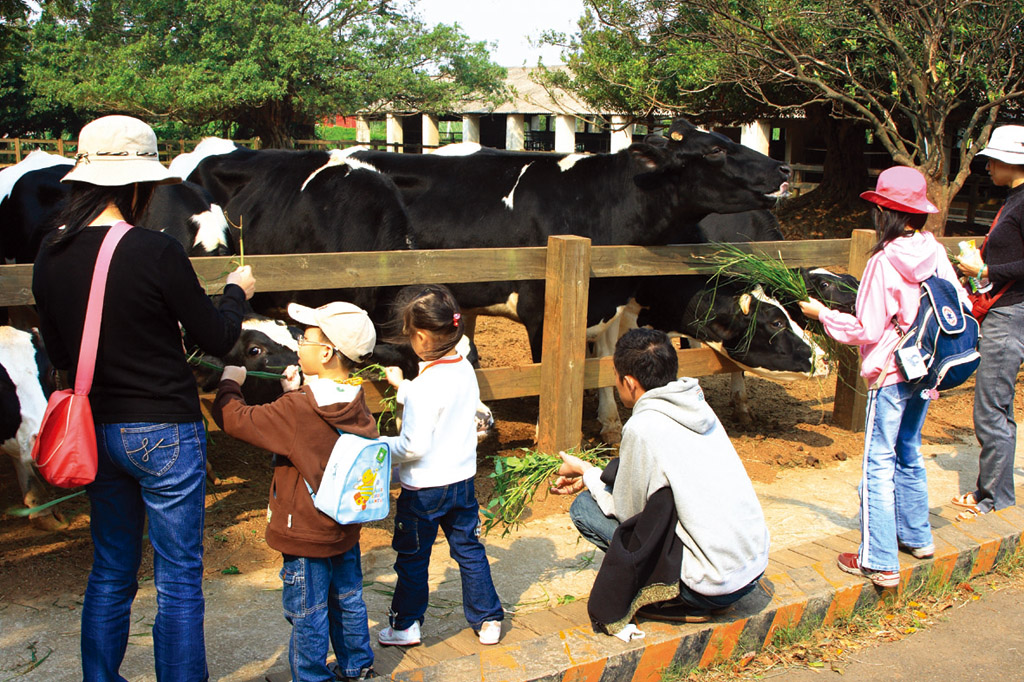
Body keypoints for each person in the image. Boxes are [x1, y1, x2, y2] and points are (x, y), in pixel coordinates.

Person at [32, 115, 255, 682]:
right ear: (138, 186)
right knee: (178, 576)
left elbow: (58, 350)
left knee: (110, 570)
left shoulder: (49, 254)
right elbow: (217, 337)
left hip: (96, 428)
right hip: (163, 430)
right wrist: (235, 293)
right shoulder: (156, 251)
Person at [799, 166, 971, 587]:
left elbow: (867, 330)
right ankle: (917, 537)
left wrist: (824, 315)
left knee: (877, 463)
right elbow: (960, 301)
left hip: (893, 371)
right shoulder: (933, 250)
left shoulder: (883, 261)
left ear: (886, 213)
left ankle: (878, 560)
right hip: (929, 368)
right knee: (909, 448)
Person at [552, 328, 769, 624]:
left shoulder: (643, 427)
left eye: (616, 377)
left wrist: (587, 472)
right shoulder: (698, 405)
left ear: (629, 383)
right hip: (752, 569)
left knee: (585, 509)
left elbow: (627, 512)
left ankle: (678, 600)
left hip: (711, 585)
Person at [212, 301, 380, 682]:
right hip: (343, 525)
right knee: (349, 598)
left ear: (325, 352)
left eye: (304, 337)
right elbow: (316, 431)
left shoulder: (297, 408)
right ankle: (357, 666)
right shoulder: (355, 400)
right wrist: (295, 391)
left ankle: (311, 676)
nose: (297, 342)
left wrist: (229, 384)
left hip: (303, 531)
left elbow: (237, 420)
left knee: (307, 609)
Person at [374, 284, 504, 647]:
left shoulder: (423, 387)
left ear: (418, 337)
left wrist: (382, 446)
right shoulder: (463, 369)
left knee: (414, 559)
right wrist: (404, 388)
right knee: (469, 550)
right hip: (461, 482)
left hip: (424, 492)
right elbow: (442, 404)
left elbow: (412, 445)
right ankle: (489, 618)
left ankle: (405, 626)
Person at [951, 125, 1024, 519]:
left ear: (1013, 162)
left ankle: (995, 500)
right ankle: (991, 492)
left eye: (993, 159)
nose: (989, 166)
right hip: (1006, 307)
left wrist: (988, 267)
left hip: (1010, 313)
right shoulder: (1014, 199)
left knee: (991, 408)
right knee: (997, 405)